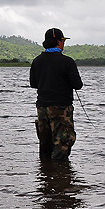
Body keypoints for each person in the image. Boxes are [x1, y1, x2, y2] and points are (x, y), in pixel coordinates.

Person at [29, 28, 83, 161]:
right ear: (59, 42)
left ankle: (45, 176)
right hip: (61, 109)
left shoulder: (37, 61)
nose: (64, 44)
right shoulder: (68, 62)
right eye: (63, 41)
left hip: (42, 109)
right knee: (62, 145)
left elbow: (33, 84)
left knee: (45, 145)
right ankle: (60, 177)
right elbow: (78, 85)